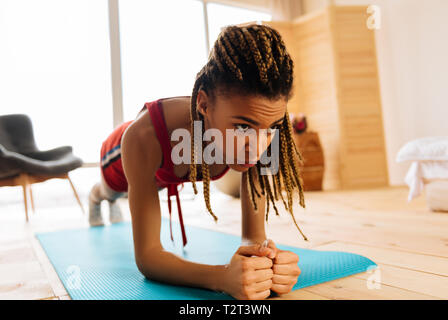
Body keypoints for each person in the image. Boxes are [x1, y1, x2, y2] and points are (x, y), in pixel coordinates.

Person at [88, 24, 307, 300]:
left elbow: (253, 237)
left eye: (270, 128)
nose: (259, 147)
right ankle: (94, 199)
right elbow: (148, 257)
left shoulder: (261, 135)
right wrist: (221, 277)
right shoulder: (143, 136)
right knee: (110, 191)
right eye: (242, 127)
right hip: (119, 156)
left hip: (167, 173)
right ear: (203, 105)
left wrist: (266, 262)